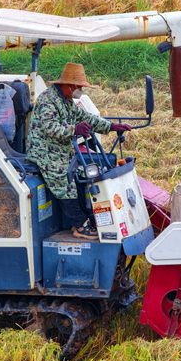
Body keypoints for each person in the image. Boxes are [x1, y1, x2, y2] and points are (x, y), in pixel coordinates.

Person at [26, 63, 131, 239]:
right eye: (79, 87)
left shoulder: (67, 102)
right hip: (44, 153)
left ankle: (87, 217)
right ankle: (80, 225)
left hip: (60, 151)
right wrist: (75, 129)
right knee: (63, 182)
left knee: (82, 175)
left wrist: (111, 126)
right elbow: (51, 128)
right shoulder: (47, 100)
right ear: (69, 85)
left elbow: (86, 118)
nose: (81, 90)